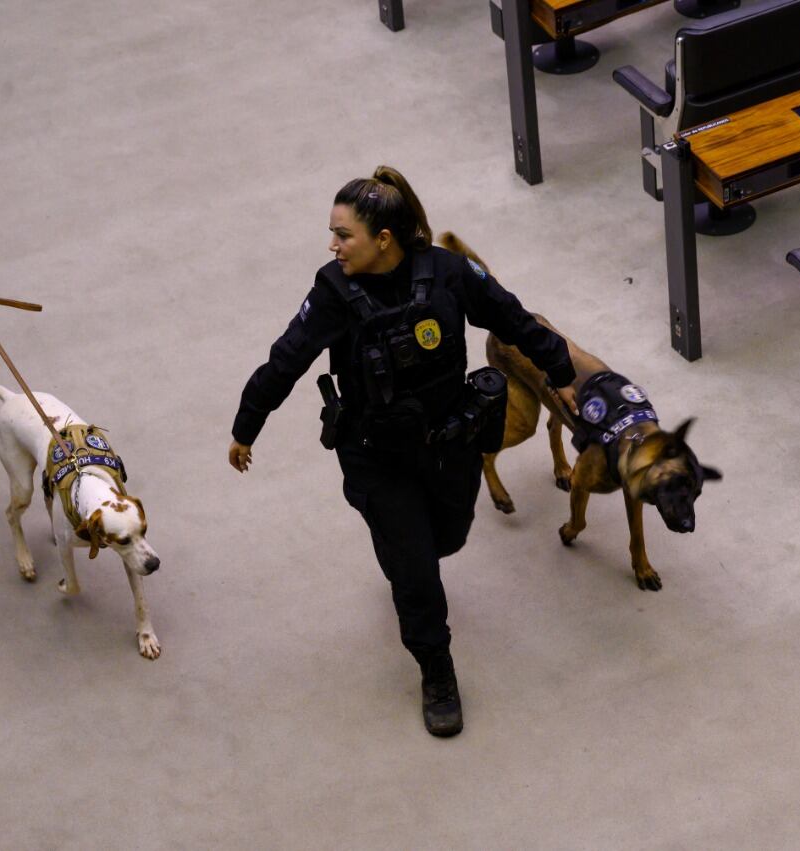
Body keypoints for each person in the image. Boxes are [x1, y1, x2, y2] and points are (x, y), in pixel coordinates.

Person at [229, 167, 578, 737]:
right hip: (377, 454)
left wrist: (559, 368)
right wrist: (247, 427)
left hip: (451, 442)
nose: (332, 245)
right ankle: (436, 668)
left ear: (383, 239)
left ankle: (407, 554)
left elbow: (511, 316)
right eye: (332, 233)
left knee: (449, 538)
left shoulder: (446, 274)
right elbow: (284, 360)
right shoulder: (333, 293)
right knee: (416, 571)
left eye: (343, 235)